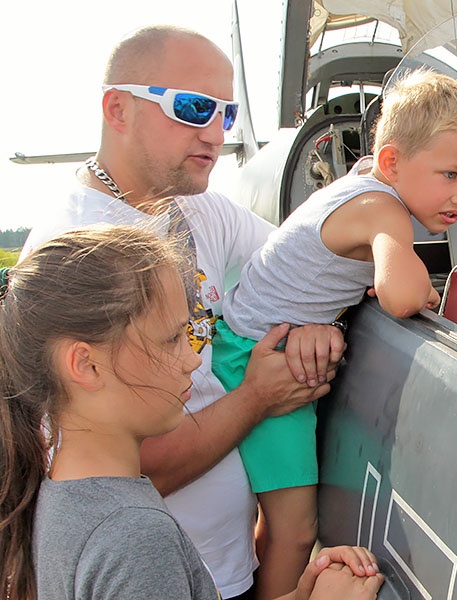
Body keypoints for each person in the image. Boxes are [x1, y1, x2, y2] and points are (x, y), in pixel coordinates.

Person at [19, 25, 345, 599]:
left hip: (223, 565)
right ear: (117, 109)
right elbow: (123, 465)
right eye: (194, 108)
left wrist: (322, 316)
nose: (217, 133)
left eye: (227, 113)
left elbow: (310, 263)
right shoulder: (77, 250)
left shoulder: (204, 211)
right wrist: (256, 398)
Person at [212, 69, 457, 599]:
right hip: (259, 357)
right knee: (297, 532)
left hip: (240, 339)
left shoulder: (366, 182)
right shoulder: (383, 207)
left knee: (273, 519)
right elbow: (403, 295)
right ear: (391, 162)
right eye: (450, 174)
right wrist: (411, 278)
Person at [0, 226, 383, 600]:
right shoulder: (135, 538)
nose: (191, 359)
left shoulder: (67, 498)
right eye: (170, 340)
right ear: (86, 365)